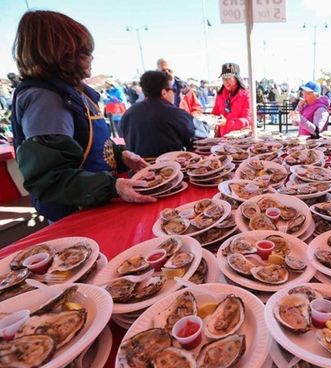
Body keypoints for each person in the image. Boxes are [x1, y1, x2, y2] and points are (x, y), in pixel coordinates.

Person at [10, 10, 154, 222]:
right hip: (78, 215)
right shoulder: (46, 99)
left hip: (97, 202)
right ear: (62, 56)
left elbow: (87, 144)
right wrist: (112, 186)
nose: (91, 58)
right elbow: (49, 179)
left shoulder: (74, 92)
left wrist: (121, 155)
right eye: (85, 53)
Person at [118, 71, 195, 159]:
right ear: (164, 92)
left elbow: (122, 135)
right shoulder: (174, 112)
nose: (174, 93)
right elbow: (194, 134)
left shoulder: (128, 113)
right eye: (173, 90)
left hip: (139, 169)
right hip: (170, 167)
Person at [212, 62, 252, 137]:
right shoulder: (220, 95)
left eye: (229, 78)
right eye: (224, 78)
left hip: (240, 138)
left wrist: (227, 123)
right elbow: (215, 113)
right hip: (222, 138)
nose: (226, 81)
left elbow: (247, 120)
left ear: (236, 78)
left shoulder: (246, 95)